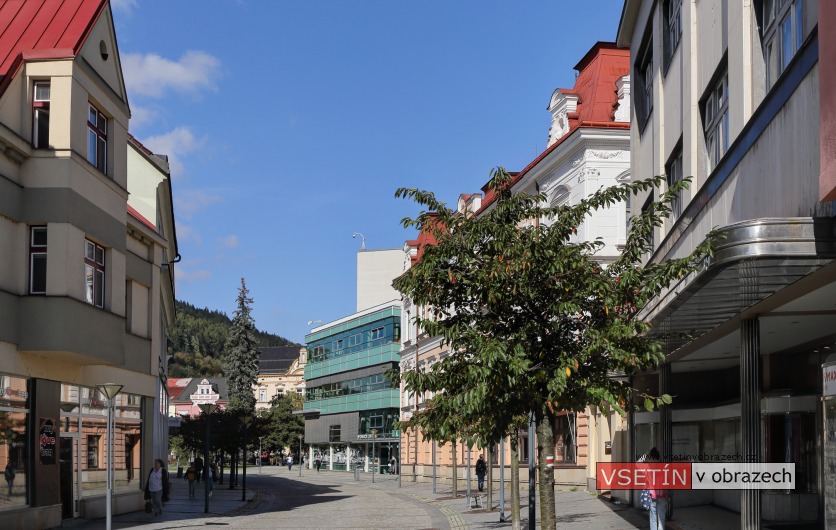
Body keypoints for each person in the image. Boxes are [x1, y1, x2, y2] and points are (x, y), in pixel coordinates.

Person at [644, 447, 667, 530]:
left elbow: (646, 480)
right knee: (661, 515)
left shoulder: (648, 466)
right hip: (662, 493)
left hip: (652, 495)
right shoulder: (664, 466)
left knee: (653, 515)